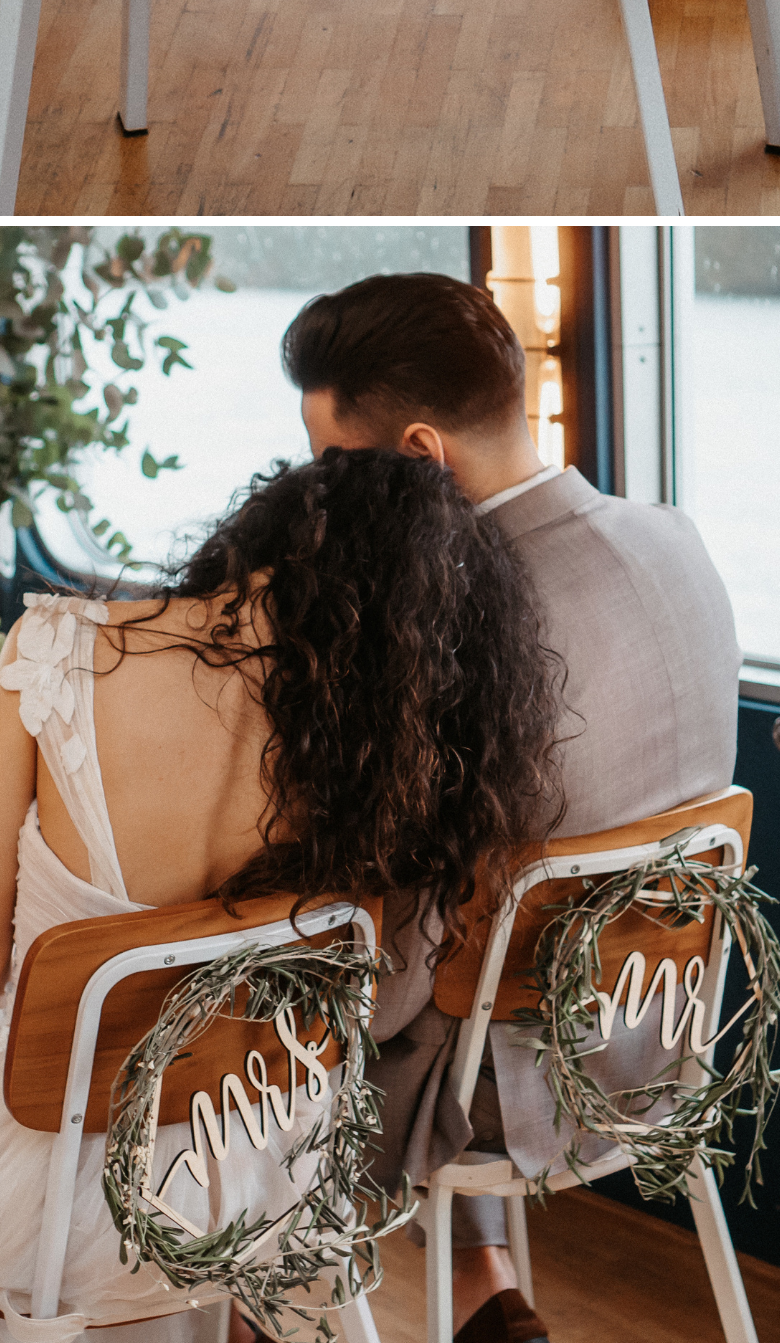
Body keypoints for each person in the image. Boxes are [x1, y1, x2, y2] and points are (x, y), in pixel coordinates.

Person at [0, 448, 560, 1338]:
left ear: (263, 530)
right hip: (276, 1188)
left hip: (47, 1212)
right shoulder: (370, 757)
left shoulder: (55, 651)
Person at [281, 271, 742, 1343]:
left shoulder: (450, 636)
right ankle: (483, 1286)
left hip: (522, 1070)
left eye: (335, 472)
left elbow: (402, 961)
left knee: (253, 1059)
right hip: (666, 1032)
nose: (325, 498)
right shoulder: (679, 537)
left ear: (421, 458)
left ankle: (268, 1316)